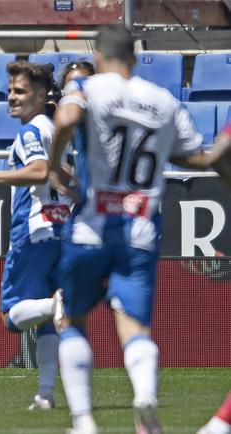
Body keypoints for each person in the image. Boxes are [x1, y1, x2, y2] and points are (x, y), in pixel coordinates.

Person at [49, 25, 231, 434]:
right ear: (133, 56)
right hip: (141, 230)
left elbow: (67, 118)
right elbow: (199, 159)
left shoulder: (87, 87)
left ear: (98, 55)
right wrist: (220, 145)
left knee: (73, 320)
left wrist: (55, 165)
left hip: (92, 226)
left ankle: (83, 420)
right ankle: (145, 394)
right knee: (135, 328)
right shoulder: (163, 100)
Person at [0, 60, 70, 410]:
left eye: (20, 91)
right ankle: (45, 394)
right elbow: (64, 175)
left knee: (10, 318)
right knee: (47, 325)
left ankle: (56, 303)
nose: (11, 97)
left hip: (33, 229)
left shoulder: (30, 132)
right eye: (10, 90)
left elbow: (39, 171)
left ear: (40, 96)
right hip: (60, 228)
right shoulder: (55, 130)